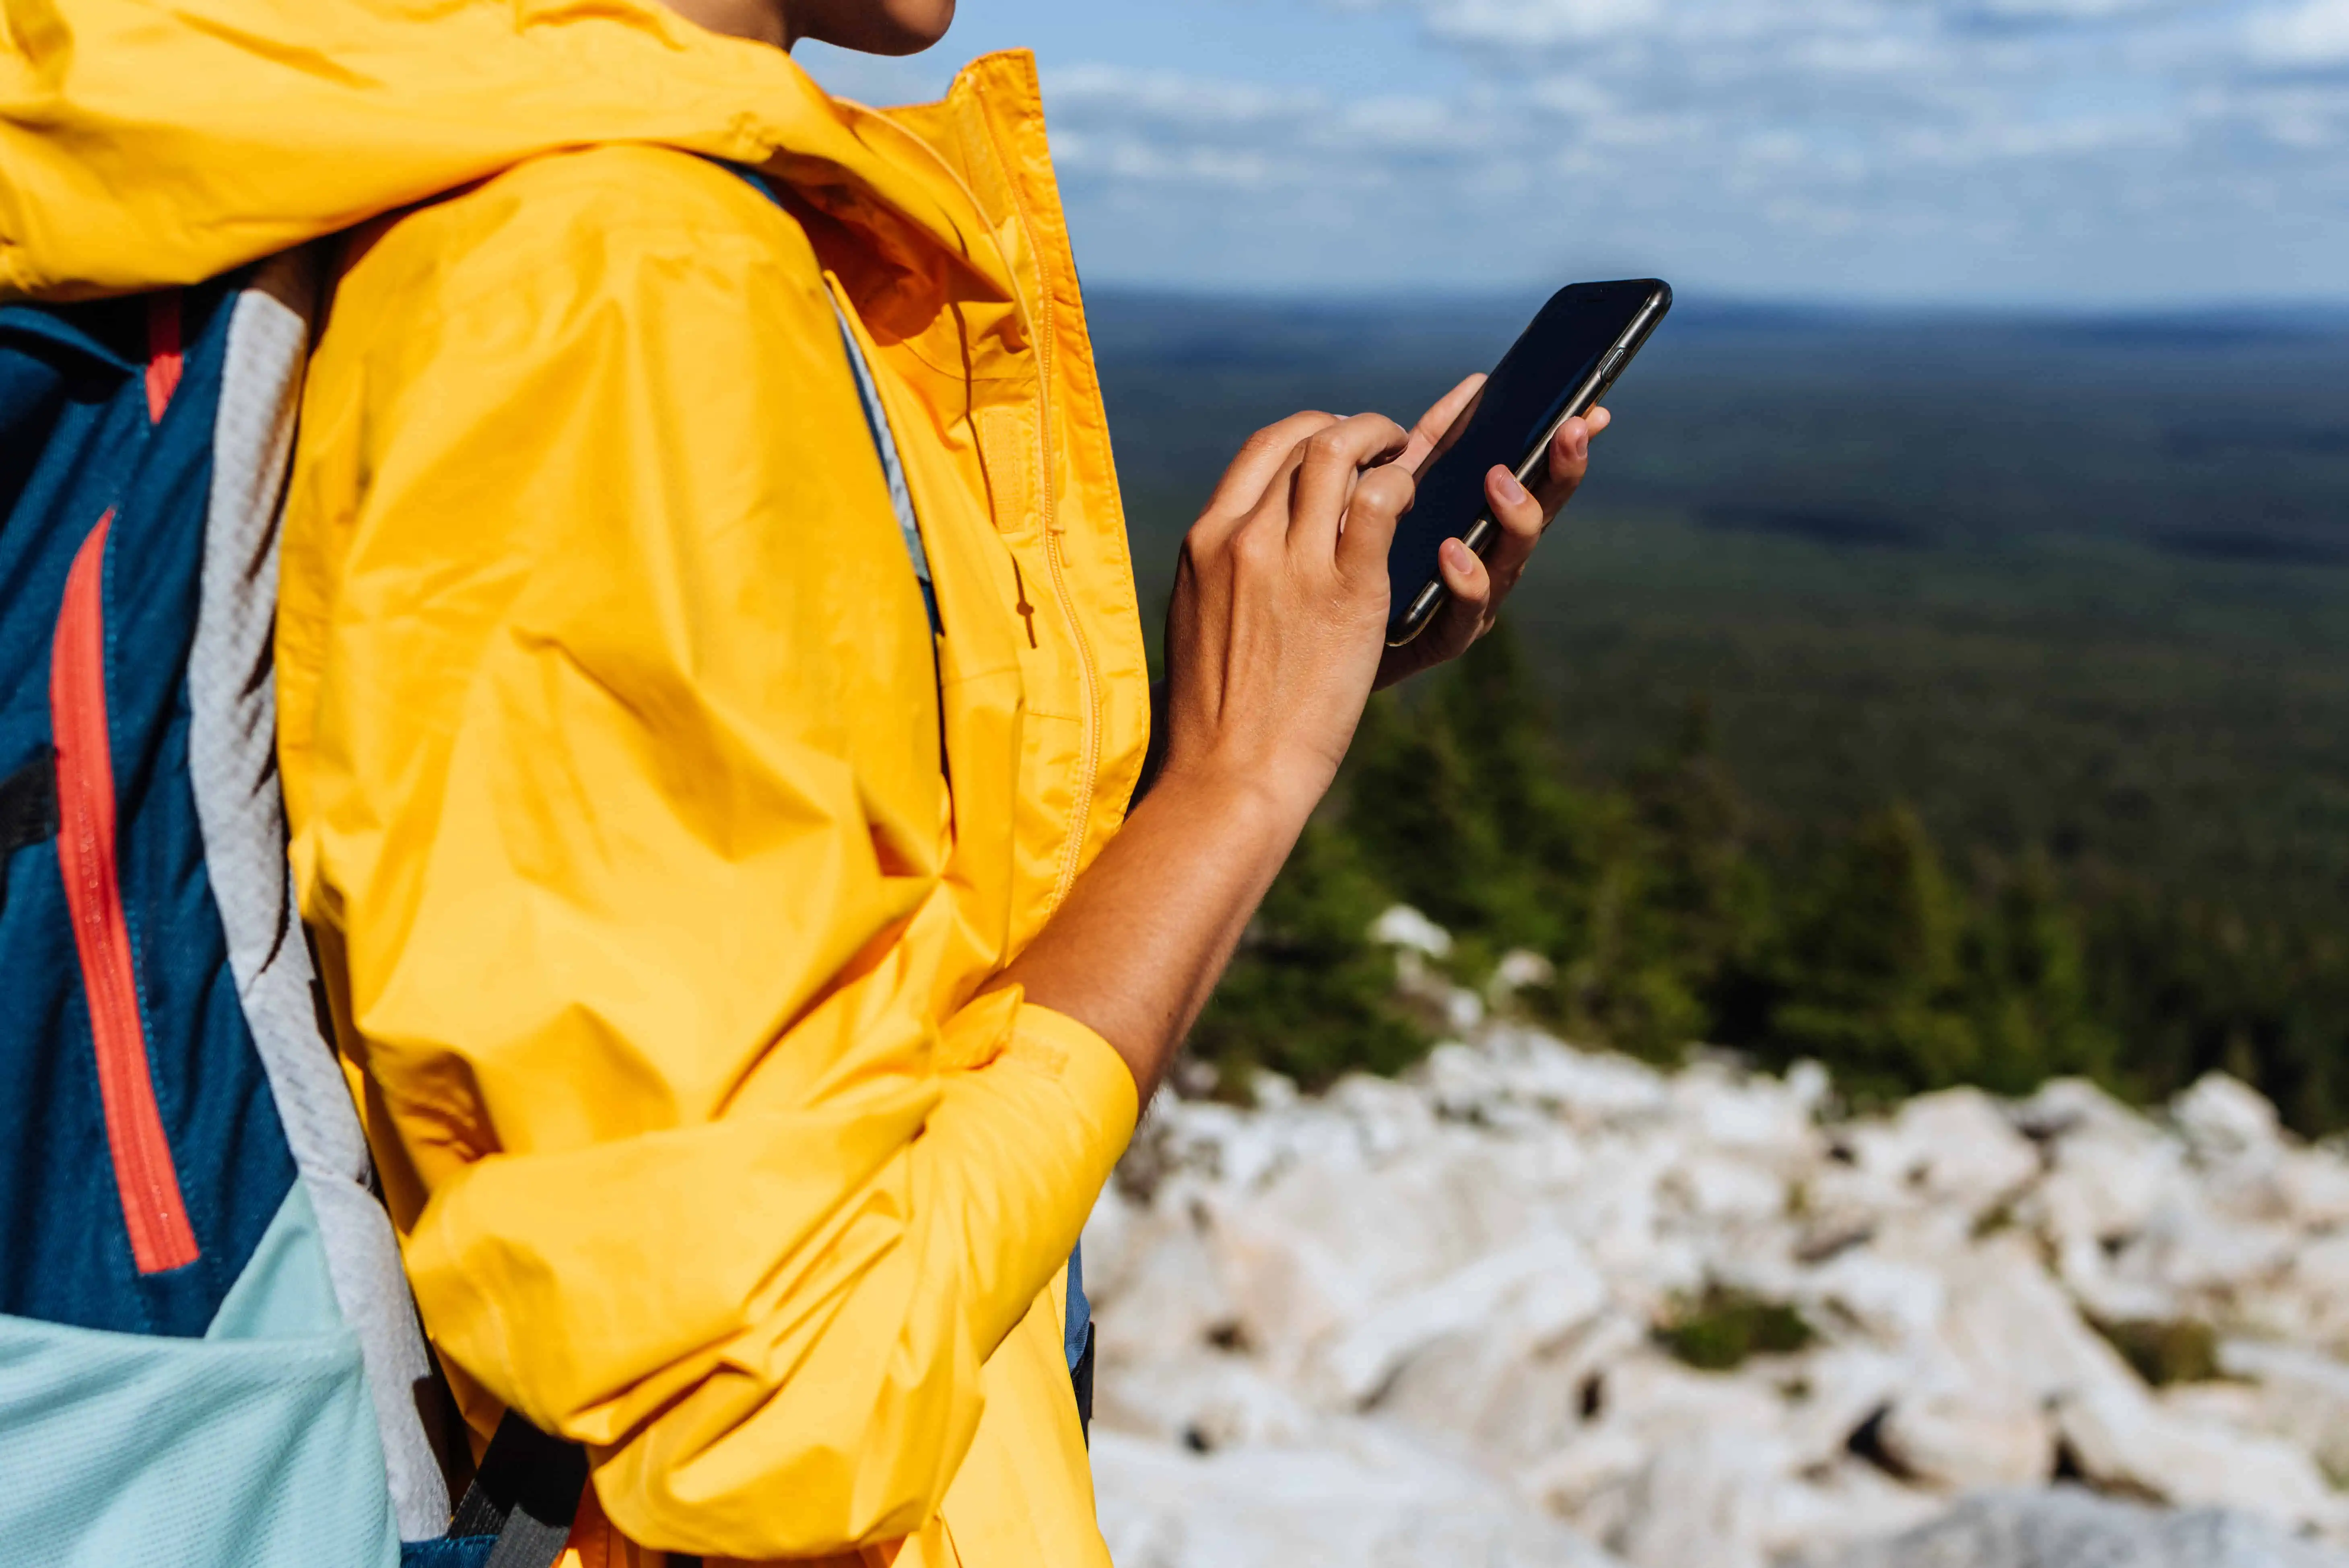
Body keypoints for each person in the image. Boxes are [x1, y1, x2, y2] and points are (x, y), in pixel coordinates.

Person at [6, 0, 1605, 1560]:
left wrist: (1241, 712)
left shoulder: (535, 204)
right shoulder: (615, 274)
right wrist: (1235, 790)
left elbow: (784, 992)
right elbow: (765, 1399)